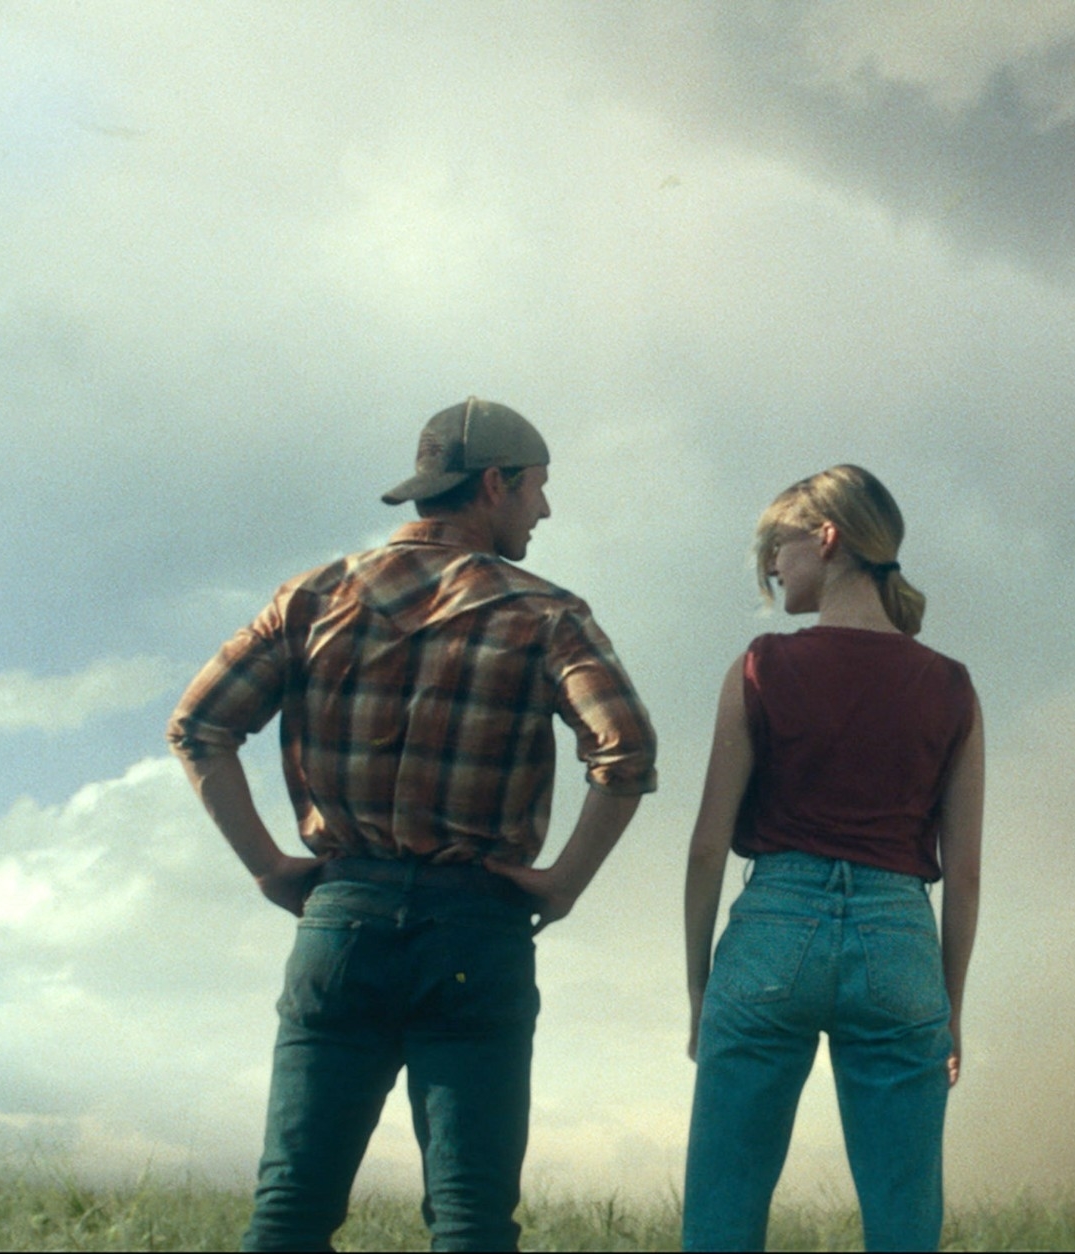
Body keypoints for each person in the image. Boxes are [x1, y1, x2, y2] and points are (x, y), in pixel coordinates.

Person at [168, 396, 656, 1251]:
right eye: (538, 488)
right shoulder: (546, 613)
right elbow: (626, 749)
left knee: (290, 1209)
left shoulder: (311, 596)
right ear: (495, 484)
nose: (544, 508)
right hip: (476, 930)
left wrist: (269, 867)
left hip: (341, 919)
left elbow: (199, 726)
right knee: (470, 1219)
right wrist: (565, 882)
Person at [679, 465, 985, 1252]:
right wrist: (949, 1005)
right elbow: (968, 870)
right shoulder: (952, 686)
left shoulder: (762, 666)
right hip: (899, 940)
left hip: (772, 933)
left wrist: (698, 989)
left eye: (777, 545)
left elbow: (709, 845)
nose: (772, 566)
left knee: (723, 1211)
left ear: (827, 537)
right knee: (904, 1220)